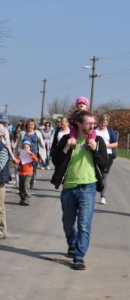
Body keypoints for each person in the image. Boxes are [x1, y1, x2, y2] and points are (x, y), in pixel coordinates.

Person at [51, 111, 109, 270]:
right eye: (88, 123)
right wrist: (66, 148)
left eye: (93, 124)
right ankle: (72, 243)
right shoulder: (67, 139)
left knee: (84, 224)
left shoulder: (97, 140)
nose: (92, 126)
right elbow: (55, 161)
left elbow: (105, 165)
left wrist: (95, 151)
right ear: (79, 124)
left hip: (88, 188)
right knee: (68, 223)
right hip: (69, 187)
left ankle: (79, 256)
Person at [13, 119, 46, 194]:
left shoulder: (37, 133)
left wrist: (42, 156)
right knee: (23, 171)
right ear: (26, 125)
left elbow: (41, 145)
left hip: (33, 155)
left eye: (32, 125)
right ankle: (23, 187)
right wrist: (16, 155)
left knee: (33, 172)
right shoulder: (22, 133)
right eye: (29, 125)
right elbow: (18, 144)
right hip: (24, 155)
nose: (30, 126)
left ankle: (30, 188)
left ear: (34, 126)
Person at [95, 114, 118, 205]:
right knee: (94, 175)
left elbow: (115, 144)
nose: (103, 124)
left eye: (105, 122)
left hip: (107, 155)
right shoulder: (94, 130)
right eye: (101, 122)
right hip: (95, 155)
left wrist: (105, 146)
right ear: (99, 122)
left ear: (107, 123)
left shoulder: (110, 131)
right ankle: (91, 194)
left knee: (104, 176)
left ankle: (102, 196)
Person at [13, 140, 39, 206]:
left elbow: (36, 159)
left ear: (30, 148)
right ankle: (22, 198)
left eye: (27, 147)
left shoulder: (31, 154)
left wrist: (30, 153)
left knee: (26, 185)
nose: (26, 148)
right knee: (21, 187)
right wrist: (15, 161)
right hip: (21, 173)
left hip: (29, 173)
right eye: (24, 147)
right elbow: (18, 160)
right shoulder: (21, 154)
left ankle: (27, 199)